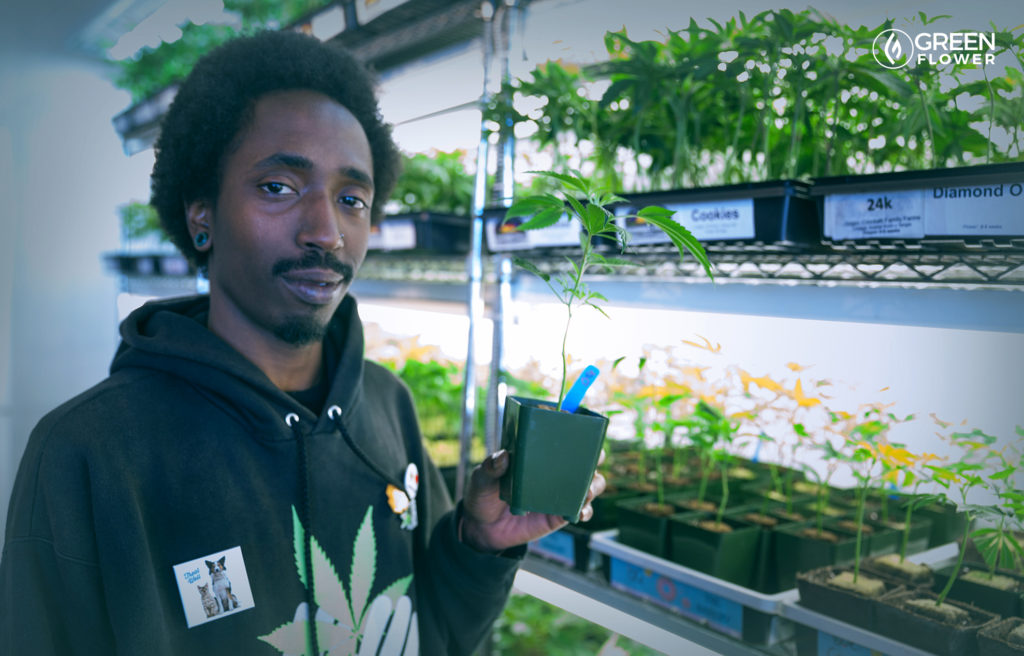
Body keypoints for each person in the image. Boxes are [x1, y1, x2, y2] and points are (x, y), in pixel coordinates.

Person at [0, 30, 605, 655]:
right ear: (200, 214)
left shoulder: (386, 405)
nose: (327, 232)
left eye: (351, 199)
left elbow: (434, 637)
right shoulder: (91, 453)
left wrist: (479, 545)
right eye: (278, 188)